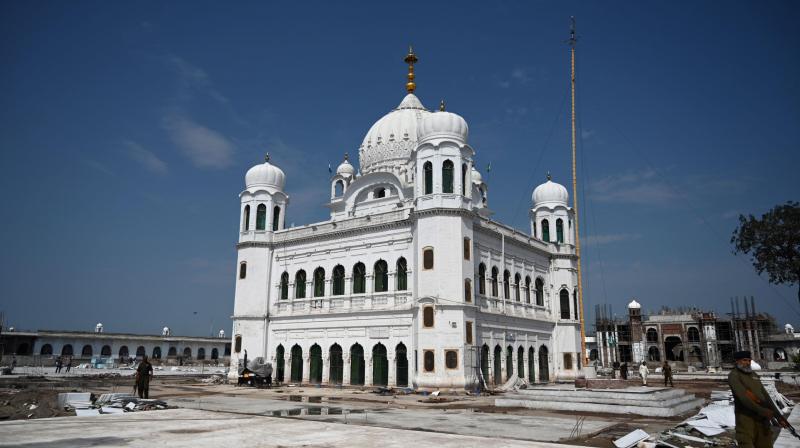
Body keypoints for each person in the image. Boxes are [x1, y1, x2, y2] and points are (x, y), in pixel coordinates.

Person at [728, 350, 788, 447]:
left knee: (765, 443)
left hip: (761, 418)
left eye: (749, 360)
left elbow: (766, 397)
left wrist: (778, 416)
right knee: (746, 442)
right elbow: (744, 398)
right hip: (745, 417)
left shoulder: (754, 375)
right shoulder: (734, 376)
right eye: (744, 360)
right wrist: (763, 411)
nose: (747, 363)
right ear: (737, 361)